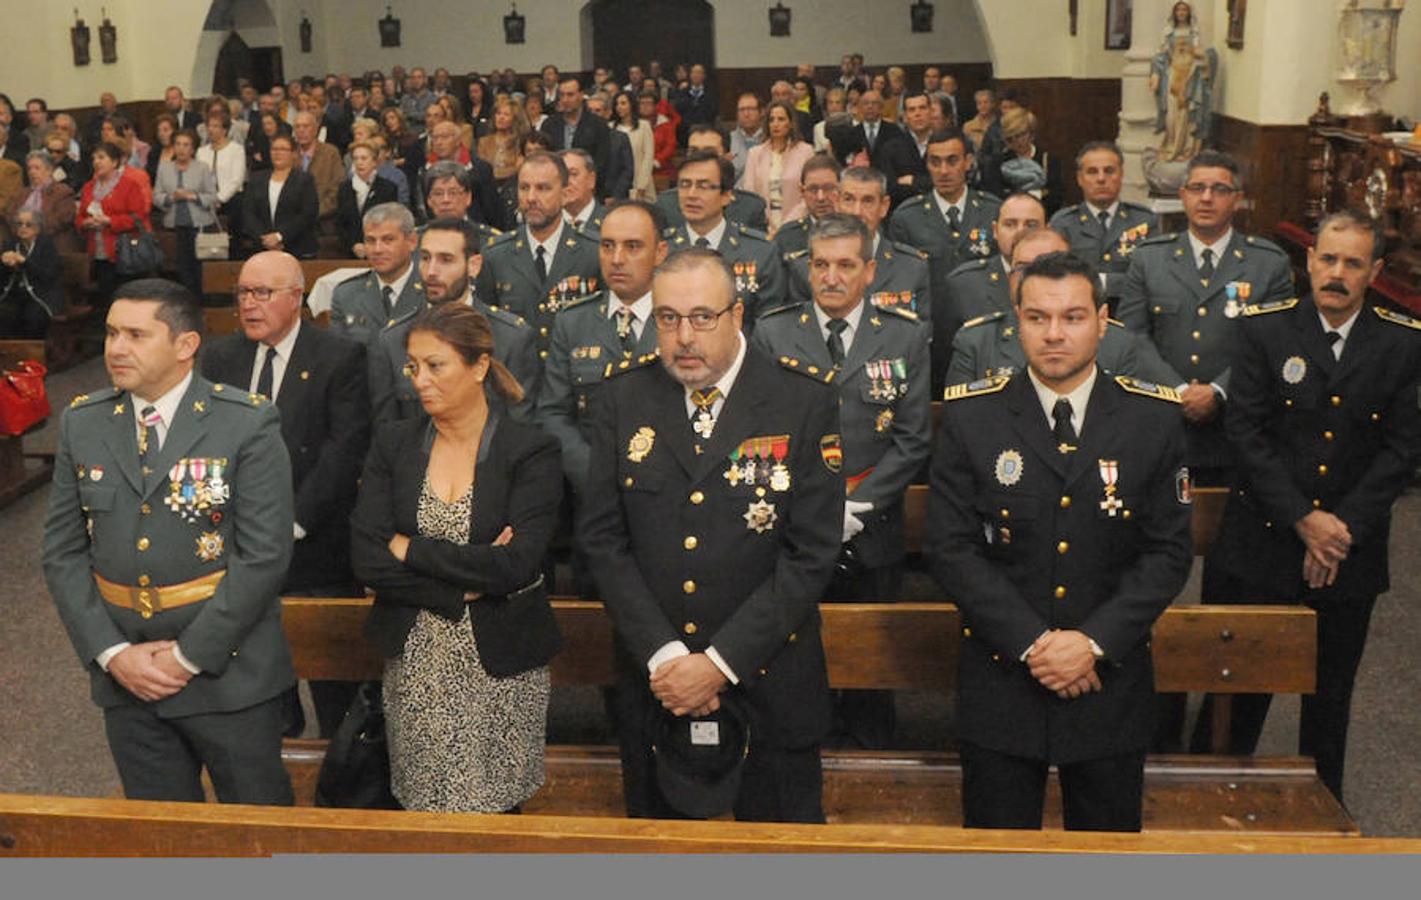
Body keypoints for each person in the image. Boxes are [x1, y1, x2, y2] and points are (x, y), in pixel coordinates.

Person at [926, 251, 1192, 831]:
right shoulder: (972, 417)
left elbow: (1167, 552)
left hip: (1108, 682)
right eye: (1037, 317)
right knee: (998, 862)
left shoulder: (1152, 419)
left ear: (1102, 320)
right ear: (1015, 321)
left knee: (1108, 862)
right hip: (1003, 679)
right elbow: (951, 548)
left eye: (1072, 317)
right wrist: (1035, 643)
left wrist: (1091, 644)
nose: (1053, 334)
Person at [578, 248, 843, 821]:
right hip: (659, 685)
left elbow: (810, 554)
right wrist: (670, 658)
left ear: (737, 316)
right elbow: (603, 539)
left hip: (771, 685)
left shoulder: (803, 400)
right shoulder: (623, 397)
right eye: (668, 318)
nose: (683, 337)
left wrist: (718, 664)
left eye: (703, 317)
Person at [1191, 210, 1421, 803]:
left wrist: (1339, 529)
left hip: (1349, 550)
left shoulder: (1402, 341)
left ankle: (1323, 823)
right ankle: (1205, 807)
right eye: (1328, 259)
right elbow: (1246, 435)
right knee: (1234, 692)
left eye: (1352, 263)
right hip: (1262, 542)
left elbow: (1402, 451)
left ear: (1374, 272)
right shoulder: (1264, 331)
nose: (1337, 273)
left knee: (1330, 697)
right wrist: (1305, 520)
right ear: (1309, 261)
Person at [42, 277, 297, 804]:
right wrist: (112, 654)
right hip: (127, 678)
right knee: (162, 844)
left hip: (229, 677)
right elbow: (62, 552)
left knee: (258, 841)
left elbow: (264, 557)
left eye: (136, 335)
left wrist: (185, 659)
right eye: (112, 333)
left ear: (185, 346)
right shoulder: (84, 422)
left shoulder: (244, 423)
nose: (115, 348)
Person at [352, 298, 562, 813]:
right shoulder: (395, 442)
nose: (419, 380)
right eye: (413, 367)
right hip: (417, 662)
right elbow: (366, 556)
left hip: (502, 668)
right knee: (424, 817)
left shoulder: (529, 451)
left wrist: (411, 548)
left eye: (435, 366)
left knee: (497, 819)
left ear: (479, 367)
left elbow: (517, 565)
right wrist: (458, 587)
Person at [753, 214, 931, 750]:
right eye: (821, 264)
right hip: (791, 525)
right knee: (792, 647)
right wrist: (811, 508)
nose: (831, 277)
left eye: (845, 265)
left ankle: (871, 752)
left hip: (871, 528)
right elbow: (760, 431)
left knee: (871, 654)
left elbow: (913, 438)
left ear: (870, 270)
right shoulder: (773, 331)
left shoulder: (904, 335)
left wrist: (859, 505)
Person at [201, 251, 371, 736]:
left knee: (338, 698)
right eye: (242, 294)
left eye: (263, 293)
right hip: (238, 553)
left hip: (316, 551)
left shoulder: (339, 356)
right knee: (260, 696)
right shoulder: (220, 357)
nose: (249, 305)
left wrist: (290, 523)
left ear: (296, 298)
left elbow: (344, 452)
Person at [537, 200, 667, 501]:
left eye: (633, 246)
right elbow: (553, 412)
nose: (617, 259)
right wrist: (595, 474)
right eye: (607, 246)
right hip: (591, 493)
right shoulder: (573, 321)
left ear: (660, 252)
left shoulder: (679, 319)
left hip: (666, 490)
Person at [946, 227, 1179, 387]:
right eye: (1024, 268)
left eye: (1053, 265)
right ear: (1009, 279)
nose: (1038, 277)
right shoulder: (975, 341)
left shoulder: (1118, 343)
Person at [370, 217, 540, 423]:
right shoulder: (392, 340)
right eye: (425, 258)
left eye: (446, 260)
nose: (431, 271)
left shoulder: (511, 338)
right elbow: (386, 431)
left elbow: (521, 428)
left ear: (474, 266)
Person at [886, 126, 1001, 382]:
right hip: (930, 338)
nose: (944, 170)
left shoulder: (992, 211)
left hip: (982, 333)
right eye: (935, 162)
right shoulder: (907, 217)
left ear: (968, 162)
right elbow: (900, 285)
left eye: (952, 160)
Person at [479, 152, 600, 356]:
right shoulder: (495, 255)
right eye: (524, 188)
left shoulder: (592, 252)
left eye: (543, 188)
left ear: (565, 194)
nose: (531, 198)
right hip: (516, 379)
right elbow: (486, 329)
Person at [785, 165, 931, 323]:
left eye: (867, 201)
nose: (856, 211)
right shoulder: (803, 268)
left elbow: (920, 336)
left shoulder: (911, 267)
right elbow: (797, 334)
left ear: (884, 206)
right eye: (849, 199)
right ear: (837, 202)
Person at [663, 150, 785, 328]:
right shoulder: (662, 249)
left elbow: (771, 327)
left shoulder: (760, 251)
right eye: (684, 185)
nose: (691, 194)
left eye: (703, 186)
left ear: (726, 196)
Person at [936, 192, 1048, 368]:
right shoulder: (963, 284)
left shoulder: (1065, 281)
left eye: (1031, 225)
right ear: (995, 231)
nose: (1020, 232)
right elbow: (943, 360)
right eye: (1010, 224)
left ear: (1046, 231)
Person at [1049, 141, 1160, 306]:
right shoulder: (1063, 223)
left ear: (1121, 175)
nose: (1101, 179)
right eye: (1092, 172)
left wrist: (1102, 282)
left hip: (1131, 315)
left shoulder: (1144, 221)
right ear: (1080, 179)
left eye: (1109, 171)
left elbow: (1153, 278)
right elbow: (1056, 279)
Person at [331, 202, 424, 344]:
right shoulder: (347, 295)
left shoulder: (432, 292)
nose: (377, 249)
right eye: (370, 241)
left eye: (388, 240)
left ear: (411, 241)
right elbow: (340, 359)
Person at [77, 141, 154, 301]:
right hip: (98, 249)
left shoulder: (129, 185)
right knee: (106, 296)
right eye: (94, 158)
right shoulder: (88, 187)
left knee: (127, 295)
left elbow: (138, 217)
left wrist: (110, 221)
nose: (96, 162)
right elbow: (80, 216)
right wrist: (85, 223)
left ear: (114, 162)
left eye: (101, 157)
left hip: (124, 251)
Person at [656, 127, 769, 233]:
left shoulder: (750, 207)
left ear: (728, 158)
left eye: (709, 153)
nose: (700, 158)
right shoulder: (666, 204)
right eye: (693, 151)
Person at [153, 130, 217, 298]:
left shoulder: (202, 168)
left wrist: (193, 196)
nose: (181, 149)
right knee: (181, 267)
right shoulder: (164, 168)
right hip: (174, 226)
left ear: (193, 149)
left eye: (186, 145)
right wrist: (170, 197)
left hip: (199, 224)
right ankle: (185, 301)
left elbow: (212, 196)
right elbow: (156, 197)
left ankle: (202, 302)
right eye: (178, 144)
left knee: (199, 267)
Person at [1150, 1, 1215, 163]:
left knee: (1185, 113)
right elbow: (1161, 56)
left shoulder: (1194, 32)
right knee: (1171, 114)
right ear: (1174, 12)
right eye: (1178, 9)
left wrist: (1200, 57)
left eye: (1184, 9)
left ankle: (1184, 147)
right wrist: (1155, 74)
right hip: (1173, 75)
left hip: (1189, 75)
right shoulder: (1168, 32)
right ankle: (1171, 145)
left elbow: (1201, 54)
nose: (1181, 12)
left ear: (1189, 12)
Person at [740, 101, 815, 234]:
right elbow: (750, 194)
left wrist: (786, 226)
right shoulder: (755, 153)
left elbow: (808, 195)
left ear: (791, 123)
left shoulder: (806, 151)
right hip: (763, 227)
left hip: (796, 225)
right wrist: (767, 225)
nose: (775, 124)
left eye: (781, 119)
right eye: (771, 120)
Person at [242, 133, 319, 260]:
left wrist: (279, 237)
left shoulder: (304, 180)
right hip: (263, 248)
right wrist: (265, 239)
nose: (277, 153)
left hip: (296, 248)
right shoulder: (257, 178)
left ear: (293, 154)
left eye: (283, 149)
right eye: (274, 149)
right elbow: (248, 213)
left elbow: (307, 214)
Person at [539, 77, 612, 199]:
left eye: (570, 95)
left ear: (581, 95)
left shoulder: (598, 125)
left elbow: (602, 161)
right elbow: (545, 158)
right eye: (562, 95)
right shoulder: (549, 124)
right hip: (556, 189)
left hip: (589, 190)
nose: (565, 100)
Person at [1, 209, 61, 338]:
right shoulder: (10, 243)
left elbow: (48, 276)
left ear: (38, 228)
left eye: (28, 224)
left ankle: (32, 354)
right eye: (19, 224)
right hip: (14, 295)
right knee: (4, 314)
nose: (23, 228)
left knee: (34, 317)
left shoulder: (46, 245)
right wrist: (4, 264)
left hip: (40, 295)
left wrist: (24, 262)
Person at [337, 140, 399, 258]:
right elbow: (341, 223)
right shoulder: (344, 188)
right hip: (349, 252)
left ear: (375, 162)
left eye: (364, 158)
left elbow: (389, 222)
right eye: (356, 159)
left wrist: (370, 245)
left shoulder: (388, 188)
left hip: (380, 250)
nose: (359, 163)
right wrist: (353, 245)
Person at [772, 153, 841, 258]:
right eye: (813, 189)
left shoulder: (855, 233)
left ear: (840, 189)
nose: (820, 197)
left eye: (828, 188)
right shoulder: (786, 237)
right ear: (802, 191)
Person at [998, 107, 1062, 219]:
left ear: (1032, 133)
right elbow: (996, 196)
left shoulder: (1048, 159)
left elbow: (1056, 197)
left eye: (1020, 135)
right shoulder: (997, 162)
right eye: (1010, 138)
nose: (1016, 141)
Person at [478, 94, 530, 227]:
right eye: (498, 113)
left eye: (506, 114)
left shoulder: (521, 142)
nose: (500, 117)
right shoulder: (484, 141)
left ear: (515, 119)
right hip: (488, 192)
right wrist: (507, 169)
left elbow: (520, 169)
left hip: (513, 192)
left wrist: (496, 172)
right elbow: (481, 170)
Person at [15, 150, 76, 243]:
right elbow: (11, 216)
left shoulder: (63, 192)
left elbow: (62, 220)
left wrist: (33, 229)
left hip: (53, 244)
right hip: (23, 243)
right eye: (29, 168)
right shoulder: (22, 193)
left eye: (37, 168)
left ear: (49, 170)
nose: (32, 172)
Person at [198, 110, 247, 220]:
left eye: (215, 126)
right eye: (209, 126)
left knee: (237, 204)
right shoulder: (201, 151)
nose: (210, 129)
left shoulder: (236, 149)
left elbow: (237, 180)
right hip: (207, 198)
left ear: (224, 130)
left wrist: (218, 199)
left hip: (231, 198)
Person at [611, 91, 656, 203]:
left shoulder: (644, 126)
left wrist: (641, 185)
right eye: (617, 104)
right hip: (618, 184)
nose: (619, 107)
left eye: (623, 103)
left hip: (640, 181)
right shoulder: (611, 127)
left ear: (631, 105)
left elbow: (648, 156)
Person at [672, 63, 716, 144]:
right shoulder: (683, 92)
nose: (696, 75)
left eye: (699, 73)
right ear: (690, 75)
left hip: (705, 125)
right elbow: (678, 109)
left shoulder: (710, 92)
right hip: (686, 127)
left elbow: (712, 112)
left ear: (704, 76)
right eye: (694, 72)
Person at [729, 93, 765, 186]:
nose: (746, 114)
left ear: (761, 112)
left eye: (751, 109)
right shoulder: (727, 140)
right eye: (742, 110)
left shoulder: (771, 139)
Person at [644, 90, 679, 182]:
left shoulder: (666, 124)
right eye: (641, 103)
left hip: (661, 168)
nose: (644, 107)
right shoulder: (635, 124)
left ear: (656, 106)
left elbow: (670, 146)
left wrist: (656, 161)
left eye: (648, 103)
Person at [145, 114, 178, 191]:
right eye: (159, 131)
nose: (161, 134)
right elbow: (149, 177)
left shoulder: (181, 152)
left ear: (175, 131)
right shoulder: (154, 152)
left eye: (166, 130)